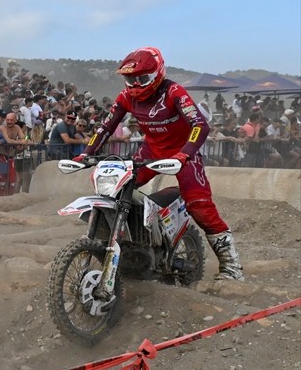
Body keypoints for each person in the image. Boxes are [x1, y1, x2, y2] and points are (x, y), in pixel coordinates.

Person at [80, 47, 244, 281]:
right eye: (130, 79)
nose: (136, 85)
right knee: (113, 187)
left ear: (157, 73)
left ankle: (231, 266)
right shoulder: (125, 97)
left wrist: (184, 154)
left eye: (142, 78)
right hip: (151, 150)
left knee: (199, 205)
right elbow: (105, 127)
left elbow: (201, 124)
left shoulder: (174, 92)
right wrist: (86, 153)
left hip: (183, 152)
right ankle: (124, 246)